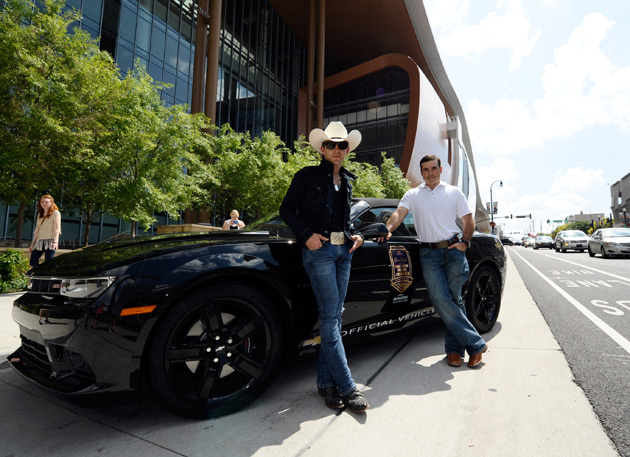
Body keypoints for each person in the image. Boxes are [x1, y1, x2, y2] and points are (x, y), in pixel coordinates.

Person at [279, 121, 369, 413]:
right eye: (332, 144)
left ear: (347, 150)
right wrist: (306, 236)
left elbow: (343, 220)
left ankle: (326, 384)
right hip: (320, 253)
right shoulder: (306, 176)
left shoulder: (348, 181)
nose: (337, 150)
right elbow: (286, 209)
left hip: (344, 251)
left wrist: (356, 234)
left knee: (334, 318)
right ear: (322, 148)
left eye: (342, 145)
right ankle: (347, 387)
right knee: (331, 317)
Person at [377, 155, 488, 368]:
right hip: (429, 254)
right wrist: (387, 229)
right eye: (425, 170)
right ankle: (475, 344)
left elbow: (468, 220)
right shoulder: (413, 194)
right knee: (440, 299)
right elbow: (398, 214)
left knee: (453, 299)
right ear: (421, 172)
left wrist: (465, 242)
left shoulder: (454, 192)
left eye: (433, 168)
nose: (430, 173)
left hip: (454, 250)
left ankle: (454, 352)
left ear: (440, 170)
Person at [29, 194, 62, 268]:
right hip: (40, 241)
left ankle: (47, 277)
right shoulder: (40, 215)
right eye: (42, 202)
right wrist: (32, 244)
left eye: (47, 202)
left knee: (48, 261)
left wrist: (55, 242)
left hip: (50, 240)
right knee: (33, 261)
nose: (44, 204)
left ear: (51, 203)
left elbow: (57, 229)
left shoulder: (55, 213)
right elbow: (37, 230)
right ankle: (39, 275)